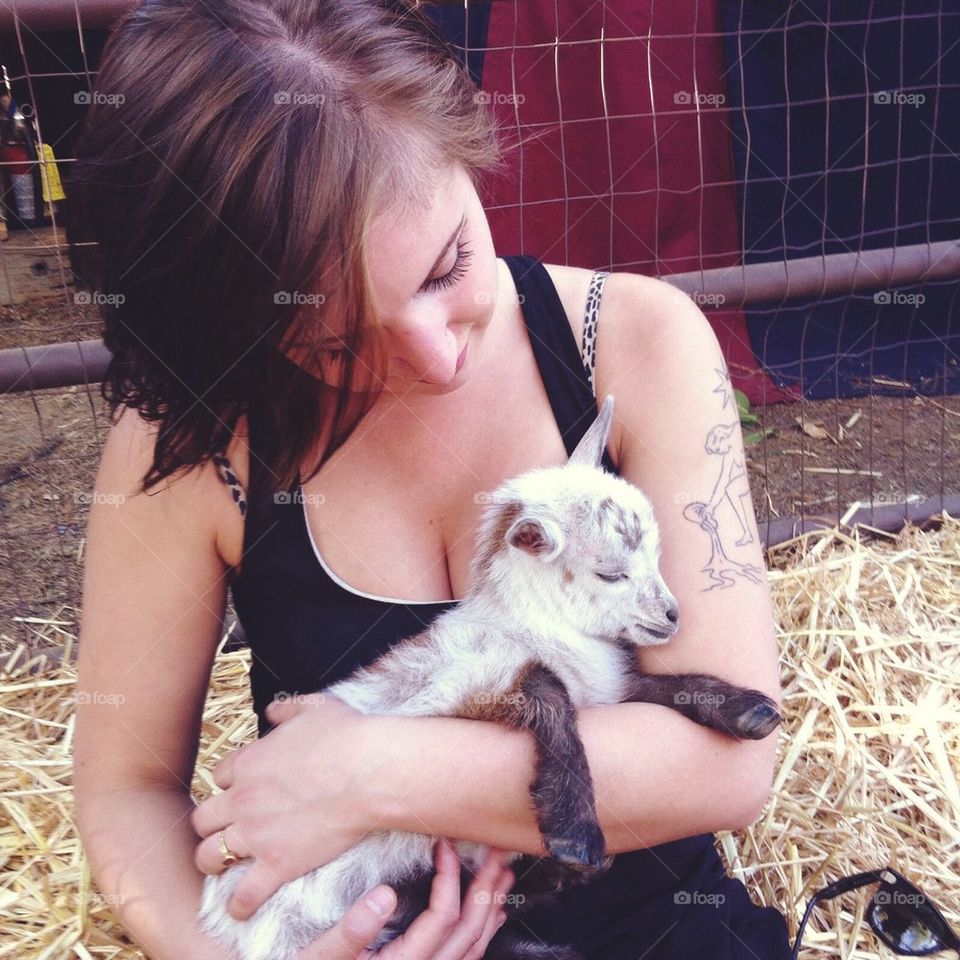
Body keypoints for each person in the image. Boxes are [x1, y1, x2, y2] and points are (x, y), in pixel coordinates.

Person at [70, 1, 792, 958]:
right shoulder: (196, 437)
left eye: (448, 266)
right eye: (333, 344)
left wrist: (369, 773)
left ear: (470, 145)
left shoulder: (637, 343)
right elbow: (124, 788)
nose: (438, 359)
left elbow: (724, 767)